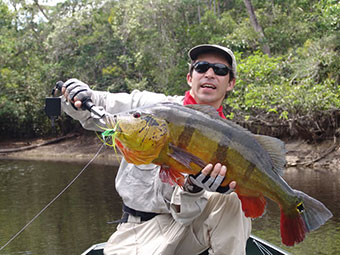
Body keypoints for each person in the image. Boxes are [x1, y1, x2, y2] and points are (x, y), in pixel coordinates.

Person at [60, 44, 251, 255]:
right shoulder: (149, 107)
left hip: (189, 230)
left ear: (230, 83)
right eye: (201, 67)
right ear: (190, 77)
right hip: (138, 231)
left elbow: (185, 214)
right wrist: (77, 93)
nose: (209, 74)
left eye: (220, 70)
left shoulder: (230, 144)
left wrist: (194, 188)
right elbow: (100, 105)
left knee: (232, 200)